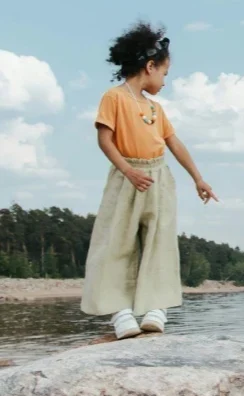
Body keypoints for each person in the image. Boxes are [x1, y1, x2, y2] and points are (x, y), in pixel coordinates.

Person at [81, 21, 218, 339]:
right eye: (165, 74)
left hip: (159, 177)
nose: (165, 82)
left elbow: (174, 143)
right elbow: (105, 140)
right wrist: (127, 171)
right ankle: (120, 312)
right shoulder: (114, 98)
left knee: (161, 241)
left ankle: (157, 308)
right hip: (127, 176)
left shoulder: (156, 108)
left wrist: (198, 178)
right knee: (117, 243)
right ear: (150, 66)